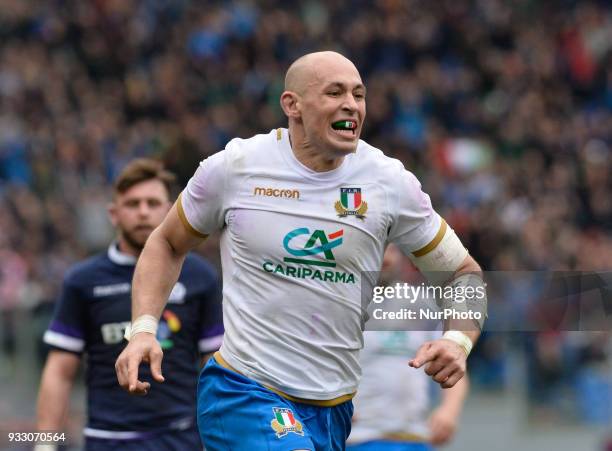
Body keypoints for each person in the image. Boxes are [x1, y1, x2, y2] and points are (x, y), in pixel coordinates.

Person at [115, 51, 484, 451]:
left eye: (359, 95)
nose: (351, 105)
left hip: (333, 408)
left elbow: (462, 272)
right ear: (292, 104)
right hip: (244, 389)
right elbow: (167, 241)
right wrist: (143, 330)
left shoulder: (389, 183)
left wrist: (457, 341)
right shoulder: (236, 167)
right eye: (334, 92)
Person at [37, 159, 223, 451]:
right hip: (106, 440)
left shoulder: (201, 276)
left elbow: (214, 363)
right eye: (133, 204)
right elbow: (60, 371)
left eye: (152, 202)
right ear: (114, 214)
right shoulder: (82, 280)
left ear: (170, 210)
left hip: (182, 438)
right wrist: (44, 445)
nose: (143, 212)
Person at [347, 245, 469, 451]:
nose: (386, 256)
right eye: (379, 247)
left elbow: (454, 364)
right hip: (359, 437)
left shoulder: (423, 305)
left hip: (416, 437)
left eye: (392, 249)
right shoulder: (344, 305)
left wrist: (449, 411)